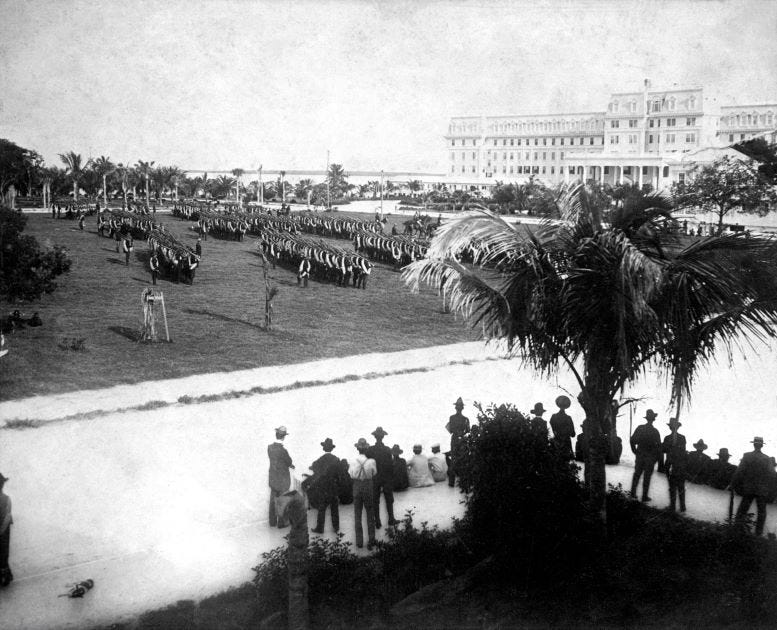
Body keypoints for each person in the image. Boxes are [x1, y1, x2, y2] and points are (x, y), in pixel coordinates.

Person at [731, 437, 775, 536]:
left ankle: (736, 529)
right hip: (761, 489)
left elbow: (739, 471)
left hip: (749, 488)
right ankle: (758, 534)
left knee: (742, 509)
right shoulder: (767, 459)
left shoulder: (747, 456)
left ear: (754, 445)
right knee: (761, 512)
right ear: (761, 445)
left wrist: (733, 483)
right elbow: (772, 475)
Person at [349, 438, 377, 549]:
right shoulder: (371, 461)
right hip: (368, 486)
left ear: (357, 449)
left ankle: (359, 542)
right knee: (370, 514)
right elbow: (374, 473)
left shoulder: (353, 461)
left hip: (356, 486)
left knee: (357, 514)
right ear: (366, 449)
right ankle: (372, 539)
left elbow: (351, 475)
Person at [308, 438, 341, 534]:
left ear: (324, 448)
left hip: (323, 487)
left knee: (322, 508)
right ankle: (336, 527)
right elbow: (339, 473)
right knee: (334, 508)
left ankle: (320, 528)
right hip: (333, 486)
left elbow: (314, 467)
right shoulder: (336, 459)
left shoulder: (321, 459)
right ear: (331, 449)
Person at [629, 409, 662, 502]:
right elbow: (659, 447)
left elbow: (632, 441)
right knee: (646, 477)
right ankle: (644, 496)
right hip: (649, 458)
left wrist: (635, 451)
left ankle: (632, 493)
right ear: (653, 419)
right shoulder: (655, 431)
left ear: (647, 418)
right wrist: (655, 459)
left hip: (640, 456)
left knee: (637, 474)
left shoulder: (640, 428)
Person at [366, 427, 395, 529]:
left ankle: (377, 521)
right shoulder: (387, 449)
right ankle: (391, 519)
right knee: (389, 499)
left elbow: (367, 464)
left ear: (375, 437)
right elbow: (391, 465)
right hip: (386, 477)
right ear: (383, 437)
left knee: (375, 500)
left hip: (375, 477)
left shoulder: (370, 450)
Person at [268, 426, 295, 528]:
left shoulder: (269, 448)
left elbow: (276, 460)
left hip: (273, 477)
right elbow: (289, 461)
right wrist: (290, 465)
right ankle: (282, 522)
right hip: (283, 479)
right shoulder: (283, 451)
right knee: (282, 500)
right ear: (283, 437)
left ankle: (272, 522)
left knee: (272, 500)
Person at [661, 417, 688, 512]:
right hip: (679, 464)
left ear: (670, 428)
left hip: (673, 464)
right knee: (680, 486)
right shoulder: (681, 438)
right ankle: (682, 507)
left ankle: (673, 506)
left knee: (673, 486)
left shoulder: (668, 438)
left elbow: (664, 450)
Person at [446, 396, 470, 487]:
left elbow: (450, 430)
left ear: (456, 407)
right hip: (462, 439)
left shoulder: (451, 418)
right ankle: (463, 481)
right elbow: (468, 430)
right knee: (463, 459)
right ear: (462, 408)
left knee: (453, 459)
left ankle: (451, 482)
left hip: (454, 439)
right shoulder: (465, 419)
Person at [0, 473, 12, 587]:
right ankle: (5, 574)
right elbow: (8, 516)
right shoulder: (7, 499)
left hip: (3, 530)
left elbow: (7, 515)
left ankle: (4, 574)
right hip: (4, 531)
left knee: (3, 553)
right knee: (3, 552)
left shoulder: (6, 499)